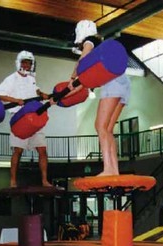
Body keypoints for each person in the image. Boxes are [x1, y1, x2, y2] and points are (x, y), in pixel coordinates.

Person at [64, 19, 131, 176]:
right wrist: (62, 94)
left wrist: (72, 76)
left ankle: (108, 168)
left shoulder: (90, 41)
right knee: (107, 129)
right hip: (123, 82)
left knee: (100, 127)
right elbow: (84, 83)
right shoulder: (99, 51)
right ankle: (114, 169)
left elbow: (82, 61)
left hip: (112, 83)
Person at [0, 50, 52, 188]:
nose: (27, 65)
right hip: (19, 118)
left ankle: (44, 180)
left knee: (42, 150)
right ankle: (13, 181)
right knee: (18, 150)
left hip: (34, 116)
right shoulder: (11, 79)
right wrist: (15, 100)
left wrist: (41, 93)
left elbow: (35, 89)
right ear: (19, 63)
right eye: (24, 62)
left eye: (29, 63)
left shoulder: (31, 78)